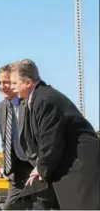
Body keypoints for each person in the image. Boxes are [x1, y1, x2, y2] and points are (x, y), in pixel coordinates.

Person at [10, 59, 100, 210]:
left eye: (14, 83)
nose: (12, 88)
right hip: (66, 162)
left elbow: (50, 138)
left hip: (78, 163)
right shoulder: (37, 98)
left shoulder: (45, 99)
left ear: (27, 82)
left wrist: (40, 167)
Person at [0, 65, 58, 210]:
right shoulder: (0, 108)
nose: (3, 86)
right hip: (16, 170)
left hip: (35, 165)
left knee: (41, 206)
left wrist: (41, 165)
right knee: (10, 207)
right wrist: (7, 167)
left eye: (6, 82)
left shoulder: (29, 102)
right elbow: (5, 141)